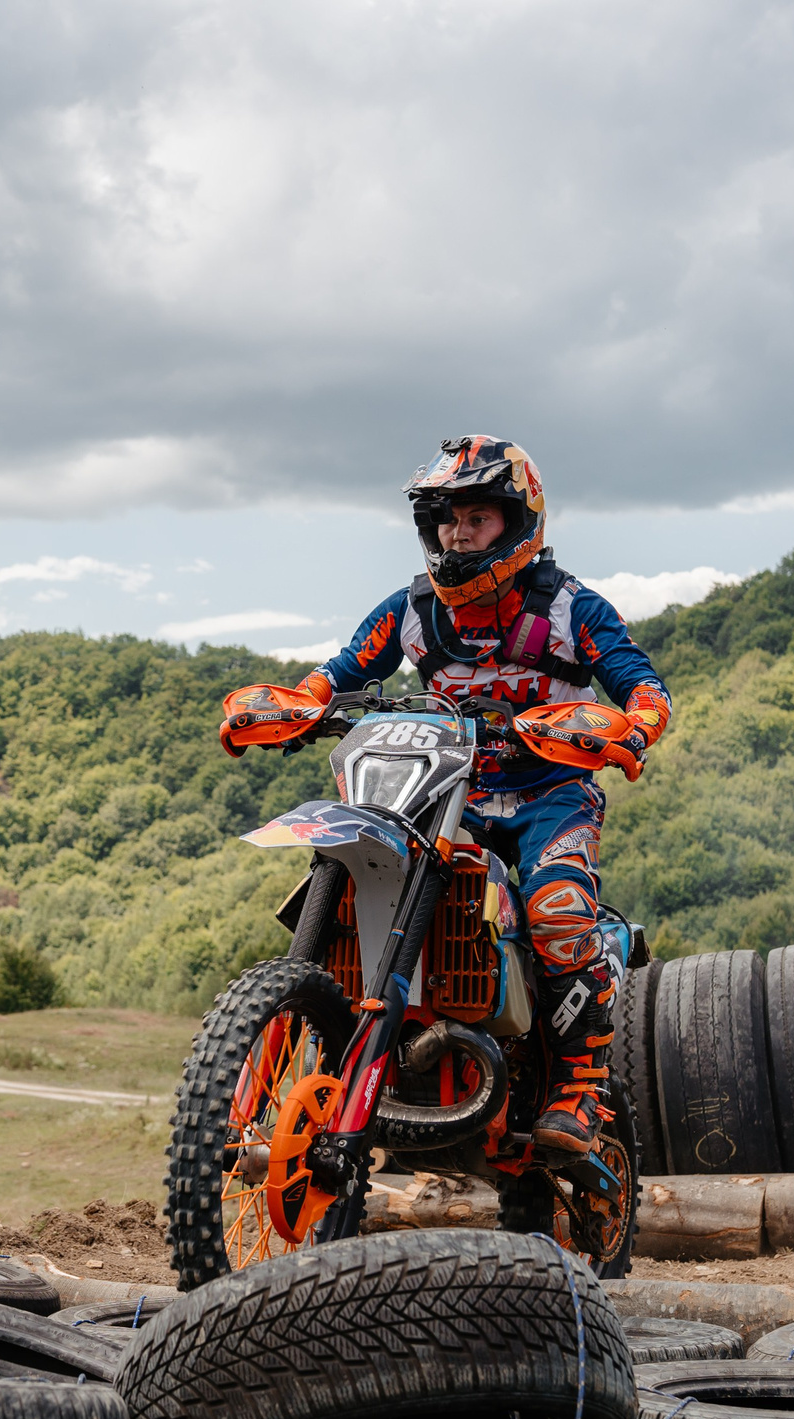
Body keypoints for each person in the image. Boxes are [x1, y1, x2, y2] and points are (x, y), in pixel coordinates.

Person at [286, 435, 671, 1154]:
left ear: (519, 523)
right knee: (361, 888)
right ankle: (347, 1056)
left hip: (548, 793)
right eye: (446, 520)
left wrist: (634, 724)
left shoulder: (571, 609)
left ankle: (578, 1087)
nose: (457, 533)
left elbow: (644, 686)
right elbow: (340, 670)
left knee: (557, 910)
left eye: (477, 519)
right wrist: (297, 701)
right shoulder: (414, 607)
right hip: (441, 791)